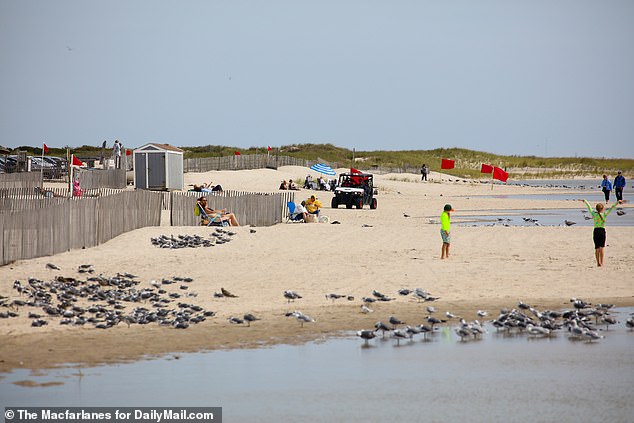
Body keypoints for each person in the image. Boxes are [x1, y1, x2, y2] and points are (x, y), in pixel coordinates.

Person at [582, 199, 619, 267]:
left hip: (596, 231)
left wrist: (585, 201)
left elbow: (589, 207)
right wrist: (617, 203)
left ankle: (598, 262)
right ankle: (601, 262)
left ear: (596, 209)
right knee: (602, 248)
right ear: (602, 209)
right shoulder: (604, 214)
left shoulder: (594, 214)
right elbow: (611, 208)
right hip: (602, 231)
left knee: (597, 248)